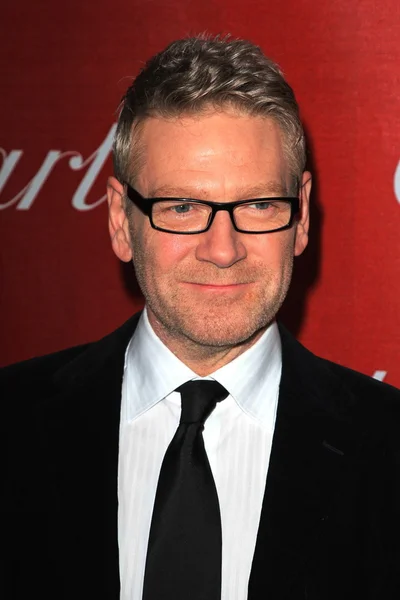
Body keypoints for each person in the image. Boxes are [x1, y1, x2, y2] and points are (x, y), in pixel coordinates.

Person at [2, 35, 400, 600]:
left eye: (260, 205)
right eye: (182, 207)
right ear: (120, 219)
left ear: (302, 215)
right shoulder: (13, 426)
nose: (222, 248)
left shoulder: (388, 448)